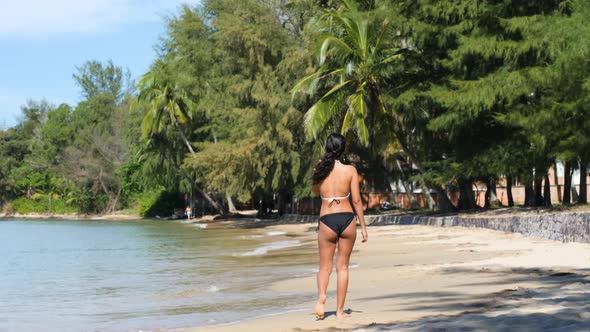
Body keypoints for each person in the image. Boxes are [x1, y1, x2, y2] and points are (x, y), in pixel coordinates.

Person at [311, 133, 367, 320]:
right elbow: (357, 200)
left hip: (327, 219)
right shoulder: (350, 170)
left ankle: (321, 297)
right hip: (347, 218)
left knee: (324, 267)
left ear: (327, 148)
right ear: (343, 149)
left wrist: (316, 174)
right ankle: (340, 312)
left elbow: (315, 191)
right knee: (342, 267)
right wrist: (364, 226)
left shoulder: (320, 168)